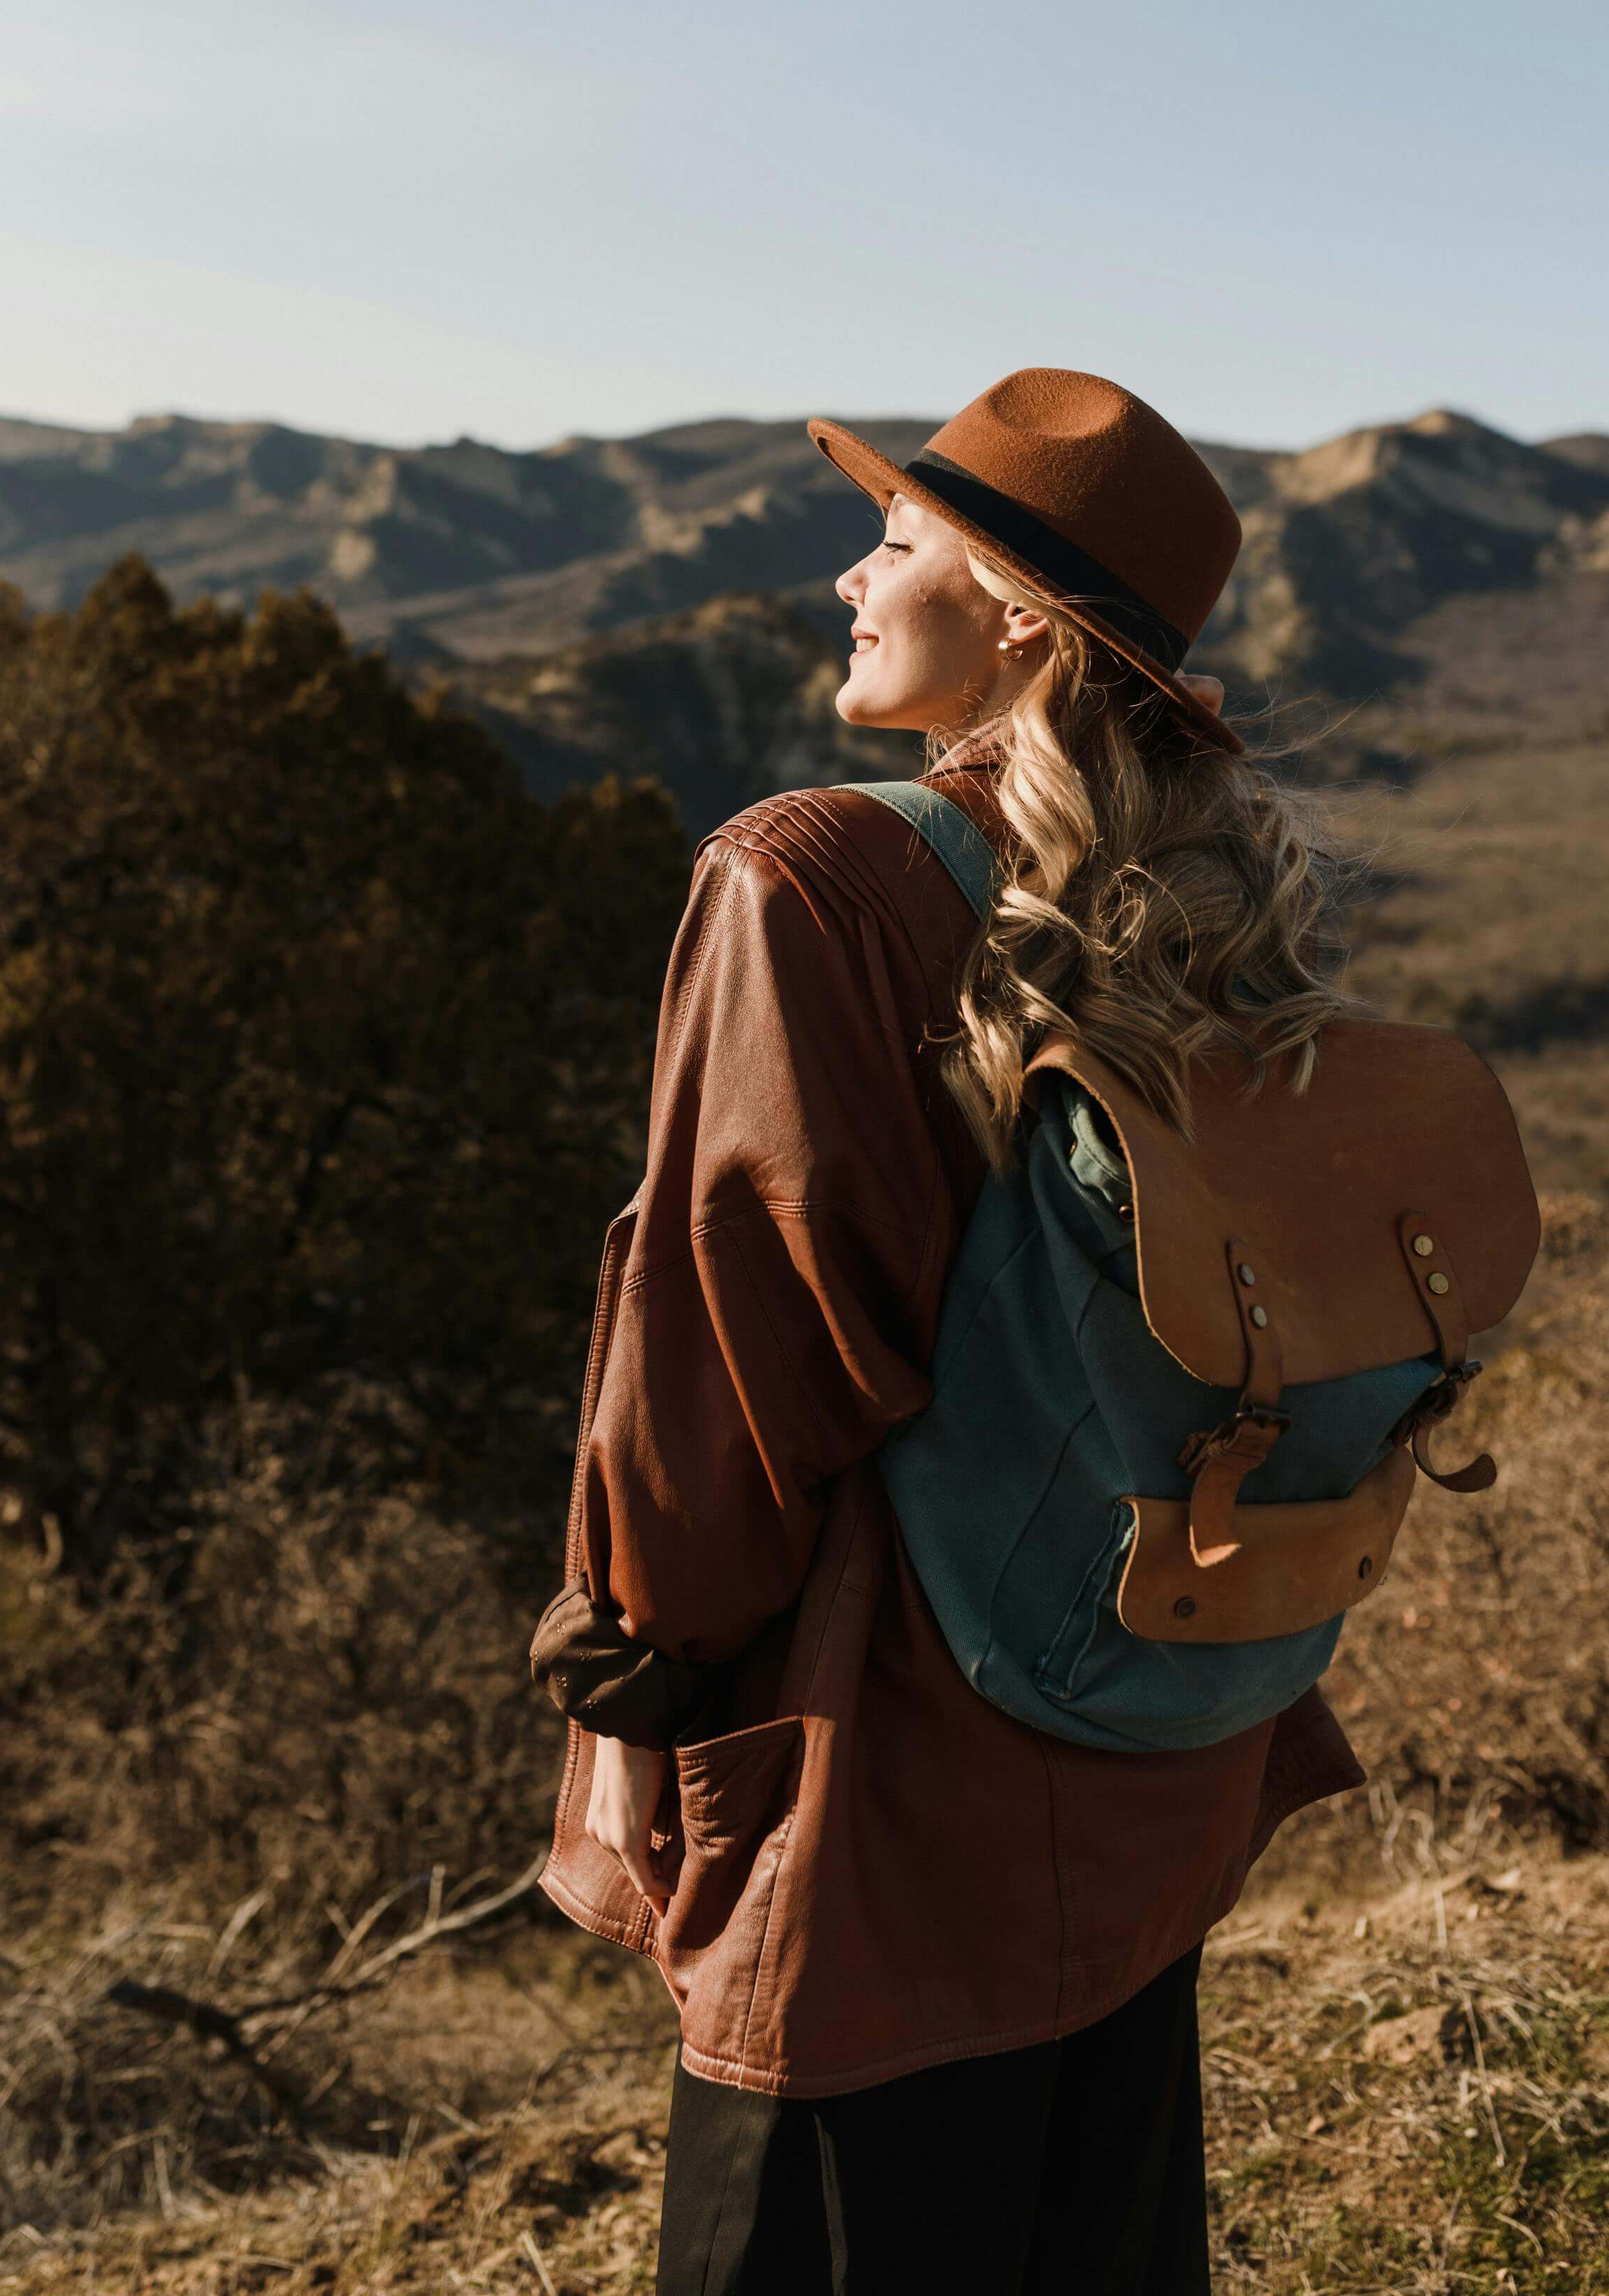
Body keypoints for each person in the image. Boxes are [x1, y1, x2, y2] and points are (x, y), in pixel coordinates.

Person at [529, 367, 1364, 2295]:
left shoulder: (810, 878)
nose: (846, 572)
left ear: (1009, 614)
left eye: (894, 538)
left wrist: (634, 1683)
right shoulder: (1204, 907)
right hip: (1151, 1732)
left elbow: (730, 1350)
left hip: (879, 1797)